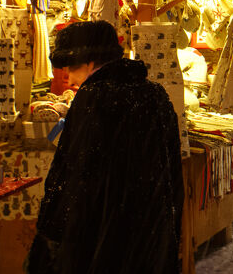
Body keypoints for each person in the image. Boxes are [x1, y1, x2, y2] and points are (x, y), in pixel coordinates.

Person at [26, 20, 183, 274]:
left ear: (89, 63)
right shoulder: (155, 93)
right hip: (150, 226)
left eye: (71, 69)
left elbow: (75, 171)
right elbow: (172, 166)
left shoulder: (94, 97)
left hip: (104, 231)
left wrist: (55, 231)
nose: (68, 78)